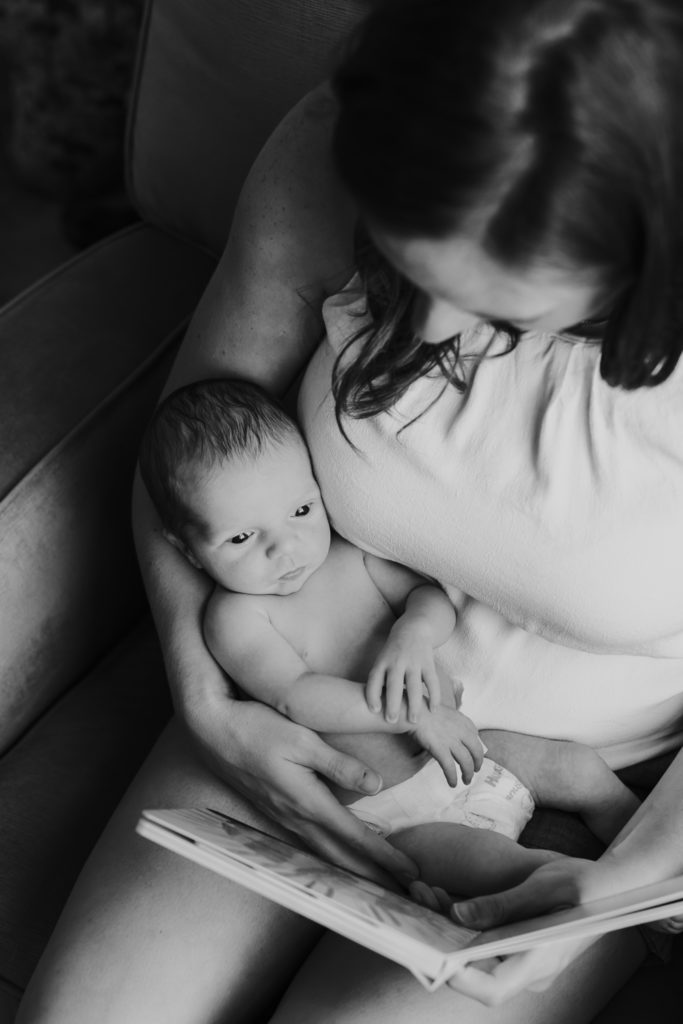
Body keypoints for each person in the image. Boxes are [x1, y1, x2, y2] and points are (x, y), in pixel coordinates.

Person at [17, 0, 683, 1021]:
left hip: (573, 815)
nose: (438, 334)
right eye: (407, 268)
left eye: (502, 309)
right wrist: (209, 701)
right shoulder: (342, 141)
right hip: (304, 702)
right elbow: (190, 457)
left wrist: (618, 887)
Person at [138, 376, 638, 894]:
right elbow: (296, 697)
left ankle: (649, 857)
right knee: (491, 864)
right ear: (189, 550)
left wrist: (413, 637)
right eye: (242, 537)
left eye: (302, 510)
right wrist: (414, 716)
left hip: (474, 751)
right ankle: (593, 891)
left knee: (580, 770)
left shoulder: (350, 556)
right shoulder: (234, 617)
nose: (285, 547)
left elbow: (427, 599)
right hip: (397, 813)